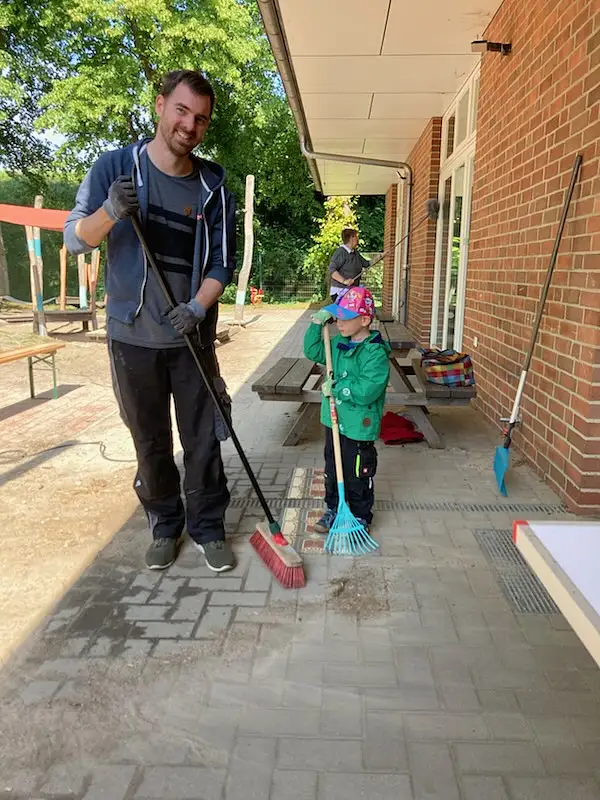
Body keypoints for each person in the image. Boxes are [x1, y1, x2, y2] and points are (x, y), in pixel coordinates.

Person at [64, 69, 237, 573]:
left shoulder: (212, 186)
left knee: (202, 439)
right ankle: (165, 524)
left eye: (200, 119)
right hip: (131, 339)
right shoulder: (115, 168)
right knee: (150, 440)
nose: (189, 125)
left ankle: (207, 527)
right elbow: (76, 238)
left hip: (191, 340)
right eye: (182, 111)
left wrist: (198, 308)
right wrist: (112, 212)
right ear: (160, 105)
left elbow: (221, 263)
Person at [303, 287, 391, 533]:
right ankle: (334, 507)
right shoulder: (338, 343)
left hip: (358, 424)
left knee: (357, 472)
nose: (338, 322)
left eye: (345, 317)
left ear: (364, 320)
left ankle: (361, 514)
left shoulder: (375, 352)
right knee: (332, 468)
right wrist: (315, 324)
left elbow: (367, 390)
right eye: (337, 316)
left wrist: (338, 388)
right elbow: (312, 350)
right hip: (333, 421)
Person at [327, 229, 384, 302]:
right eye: (356, 237)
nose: (358, 239)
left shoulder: (355, 253)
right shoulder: (341, 252)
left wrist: (380, 256)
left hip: (351, 291)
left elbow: (367, 264)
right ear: (351, 238)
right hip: (340, 292)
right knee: (346, 313)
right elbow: (332, 270)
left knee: (352, 312)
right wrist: (344, 281)